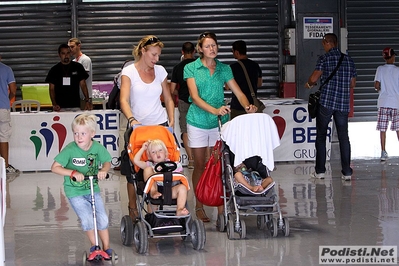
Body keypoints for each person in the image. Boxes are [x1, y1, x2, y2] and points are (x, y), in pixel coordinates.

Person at [183, 31, 257, 222]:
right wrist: (215, 110)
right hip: (198, 121)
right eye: (207, 46)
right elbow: (195, 97)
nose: (212, 49)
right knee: (199, 165)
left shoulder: (224, 69)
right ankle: (199, 205)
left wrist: (247, 104)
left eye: (214, 45)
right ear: (200, 49)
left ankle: (220, 204)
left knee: (219, 165)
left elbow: (238, 92)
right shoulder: (191, 68)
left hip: (219, 124)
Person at [119, 35, 175, 221]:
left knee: (161, 167)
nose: (156, 59)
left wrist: (172, 121)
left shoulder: (160, 71)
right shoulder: (129, 72)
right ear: (143, 51)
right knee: (134, 170)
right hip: (139, 128)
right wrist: (133, 120)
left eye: (158, 55)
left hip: (160, 125)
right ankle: (133, 207)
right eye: (153, 55)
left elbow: (167, 98)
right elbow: (124, 100)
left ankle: (156, 205)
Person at [50, 114, 117, 259]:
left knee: (103, 218)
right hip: (75, 191)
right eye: (76, 133)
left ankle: (107, 248)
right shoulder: (70, 149)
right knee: (87, 219)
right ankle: (95, 247)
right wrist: (72, 172)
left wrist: (104, 170)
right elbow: (55, 167)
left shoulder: (98, 147)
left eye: (83, 133)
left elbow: (107, 161)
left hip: (92, 188)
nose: (79, 137)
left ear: (92, 134)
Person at [305, 33, 357, 181]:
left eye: (323, 43)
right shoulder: (349, 60)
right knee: (343, 137)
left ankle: (320, 171)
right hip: (342, 104)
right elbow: (353, 84)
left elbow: (314, 78)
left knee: (321, 136)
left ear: (327, 43)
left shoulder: (324, 58)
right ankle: (346, 172)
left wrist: (309, 83)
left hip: (326, 103)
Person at [133, 139, 189, 216]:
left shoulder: (174, 164)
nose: (157, 153)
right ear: (149, 156)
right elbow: (136, 161)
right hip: (155, 188)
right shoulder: (150, 164)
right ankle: (153, 192)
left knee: (183, 187)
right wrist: (143, 148)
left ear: (166, 153)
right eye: (153, 152)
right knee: (147, 170)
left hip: (170, 190)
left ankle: (179, 210)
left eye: (160, 150)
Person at [170, 42, 196, 169]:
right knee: (202, 128)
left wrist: (179, 93)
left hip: (184, 102)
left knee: (185, 130)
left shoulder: (177, 68)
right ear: (195, 51)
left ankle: (191, 160)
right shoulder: (199, 65)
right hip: (199, 103)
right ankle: (205, 160)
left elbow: (172, 89)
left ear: (182, 52)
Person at [45, 43, 92, 111]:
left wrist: (88, 101)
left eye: (68, 53)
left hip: (75, 105)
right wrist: (54, 104)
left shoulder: (78, 67)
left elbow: (83, 84)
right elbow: (51, 89)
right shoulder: (54, 70)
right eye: (63, 53)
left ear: (70, 54)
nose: (66, 56)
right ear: (59, 55)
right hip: (60, 106)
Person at [374, 47, 399, 161]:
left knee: (383, 129)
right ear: (393, 57)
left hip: (383, 101)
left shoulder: (380, 69)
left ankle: (383, 152)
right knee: (398, 128)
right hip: (396, 102)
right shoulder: (397, 70)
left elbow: (376, 85)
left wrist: (381, 91)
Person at [229, 40, 262, 119]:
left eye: (232, 51)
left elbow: (227, 87)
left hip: (237, 106)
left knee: (237, 130)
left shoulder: (233, 67)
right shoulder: (255, 65)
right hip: (252, 106)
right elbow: (259, 83)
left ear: (236, 52)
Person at [0, 55, 20, 177]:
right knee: (3, 136)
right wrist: (7, 100)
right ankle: (5, 166)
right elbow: (13, 90)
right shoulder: (7, 69)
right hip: (2, 107)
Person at [68, 38, 93, 108]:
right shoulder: (73, 61)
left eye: (72, 47)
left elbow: (83, 78)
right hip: (76, 96)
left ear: (79, 46)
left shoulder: (85, 60)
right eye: (69, 47)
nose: (70, 49)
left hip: (84, 97)